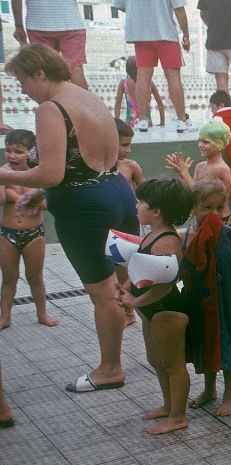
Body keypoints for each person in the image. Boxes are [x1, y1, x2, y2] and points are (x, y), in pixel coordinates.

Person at [2, 45, 138, 392]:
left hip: (85, 209)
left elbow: (51, 172)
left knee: (103, 292)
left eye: (22, 81)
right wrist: (42, 193)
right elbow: (86, 161)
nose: (23, 90)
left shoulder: (51, 107)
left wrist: (7, 177)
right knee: (128, 277)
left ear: (40, 73)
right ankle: (151, 343)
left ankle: (110, 369)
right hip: (118, 194)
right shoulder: (85, 95)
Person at [119, 178, 195, 434]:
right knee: (157, 360)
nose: (136, 206)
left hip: (167, 308)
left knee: (173, 364)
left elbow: (164, 284)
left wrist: (135, 301)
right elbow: (141, 266)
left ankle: (178, 416)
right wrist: (127, 287)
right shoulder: (151, 234)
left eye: (141, 203)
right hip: (152, 308)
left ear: (157, 211)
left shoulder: (167, 242)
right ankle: (167, 405)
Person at [113, 0, 192, 133]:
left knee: (143, 77)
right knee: (173, 77)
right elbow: (179, 8)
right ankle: (181, 119)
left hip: (140, 35)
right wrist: (186, 34)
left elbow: (121, 5)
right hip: (166, 33)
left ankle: (142, 120)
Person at [184, 180, 231, 417]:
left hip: (224, 303)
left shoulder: (227, 235)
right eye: (207, 208)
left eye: (219, 208)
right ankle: (209, 389)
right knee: (206, 345)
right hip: (201, 302)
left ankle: (229, 394)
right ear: (194, 209)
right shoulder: (192, 234)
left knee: (227, 345)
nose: (214, 214)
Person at [1, 129, 57, 329]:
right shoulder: (3, 172)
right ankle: (5, 317)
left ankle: (42, 314)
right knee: (9, 278)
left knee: (35, 277)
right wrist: (5, 184)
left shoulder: (39, 174)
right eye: (8, 150)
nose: (12, 156)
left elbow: (48, 204)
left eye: (18, 151)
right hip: (8, 234)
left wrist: (24, 199)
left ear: (31, 153)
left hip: (34, 235)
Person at [165, 120, 231, 221]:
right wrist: (181, 172)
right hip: (203, 218)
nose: (200, 145)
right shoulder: (200, 166)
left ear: (219, 145)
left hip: (219, 219)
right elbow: (192, 194)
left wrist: (185, 173)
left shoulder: (222, 169)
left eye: (206, 142)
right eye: (200, 141)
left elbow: (202, 194)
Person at [113, 119, 143, 191]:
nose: (129, 150)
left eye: (129, 145)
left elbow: (148, 195)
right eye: (124, 145)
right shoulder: (92, 170)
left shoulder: (131, 167)